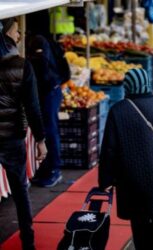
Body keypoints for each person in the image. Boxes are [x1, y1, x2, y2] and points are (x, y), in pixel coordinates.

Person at [98, 68, 153, 250]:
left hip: (134, 183)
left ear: (128, 86)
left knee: (140, 234)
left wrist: (106, 180)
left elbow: (110, 149)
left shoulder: (118, 110)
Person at [0, 19, 47, 250]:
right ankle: (28, 242)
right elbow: (33, 107)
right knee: (20, 190)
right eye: (17, 31)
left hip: (11, 136)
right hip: (12, 137)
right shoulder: (22, 65)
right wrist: (40, 140)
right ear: (8, 32)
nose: (19, 36)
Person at [26, 26, 70, 187]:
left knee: (49, 130)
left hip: (48, 91)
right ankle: (46, 170)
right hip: (50, 89)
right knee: (47, 130)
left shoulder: (38, 41)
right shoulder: (42, 39)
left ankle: (53, 170)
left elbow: (43, 70)